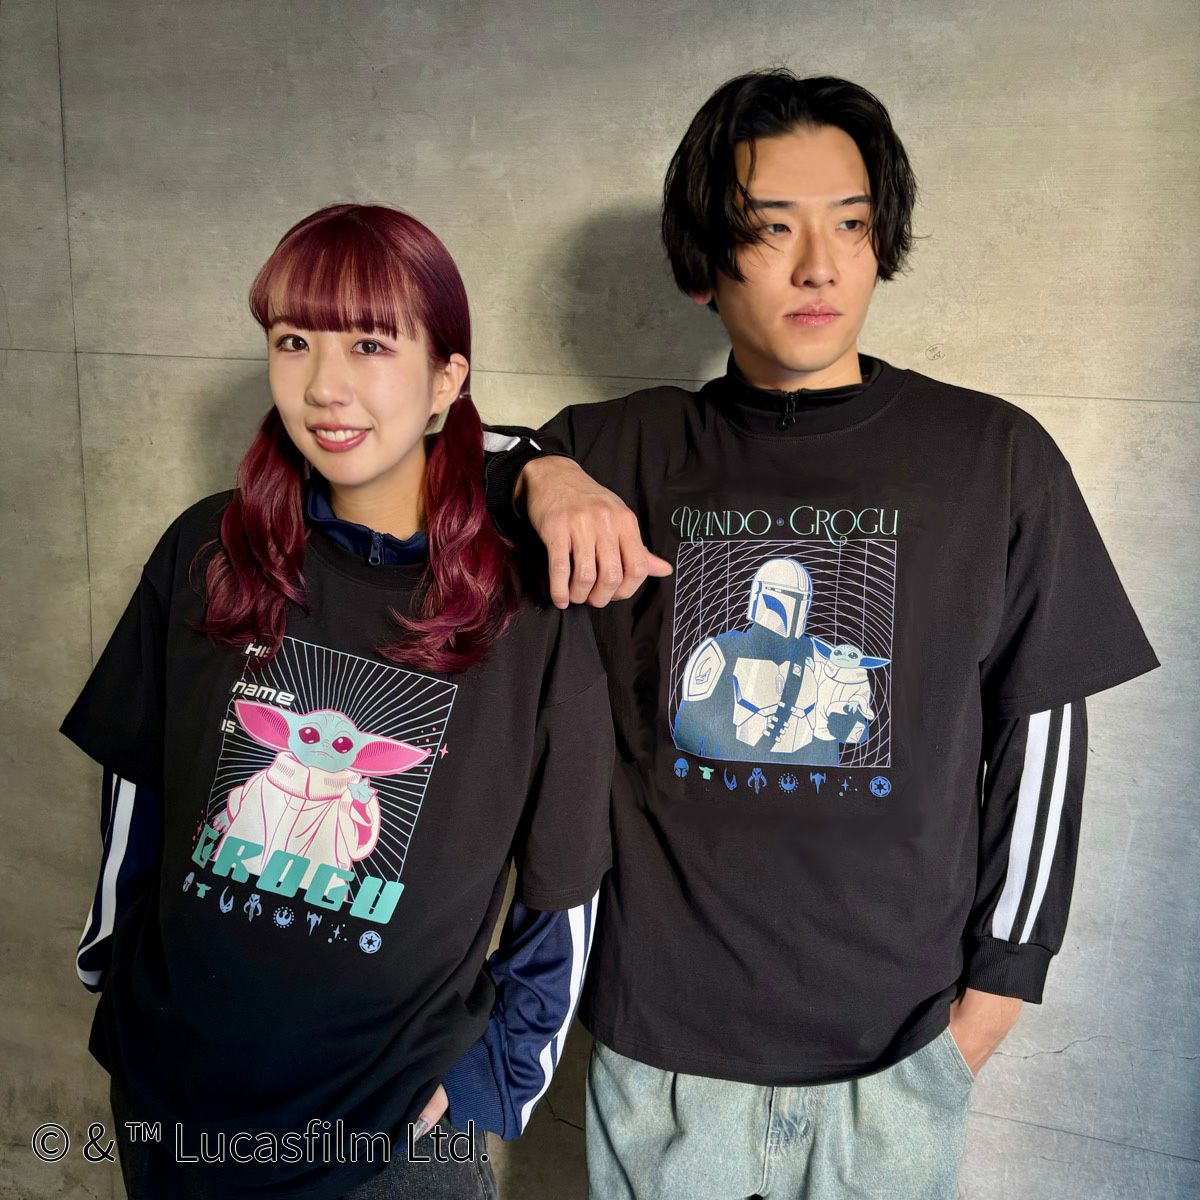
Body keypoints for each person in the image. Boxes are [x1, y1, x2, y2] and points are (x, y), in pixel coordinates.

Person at [482, 70, 1161, 1198]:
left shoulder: (992, 459)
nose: (819, 266)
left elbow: (1041, 742)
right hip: (661, 1049)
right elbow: (414, 459)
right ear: (703, 262)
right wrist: (537, 475)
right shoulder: (627, 450)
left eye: (849, 224)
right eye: (769, 228)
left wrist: (992, 1000)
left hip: (895, 1054)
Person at [59, 203, 615, 1200]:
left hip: (390, 1139)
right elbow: (136, 787)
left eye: (370, 344)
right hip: (174, 1105)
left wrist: (495, 1076)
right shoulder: (206, 552)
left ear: (446, 379)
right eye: (293, 342)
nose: (323, 385)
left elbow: (564, 884)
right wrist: (115, 967)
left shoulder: (532, 607)